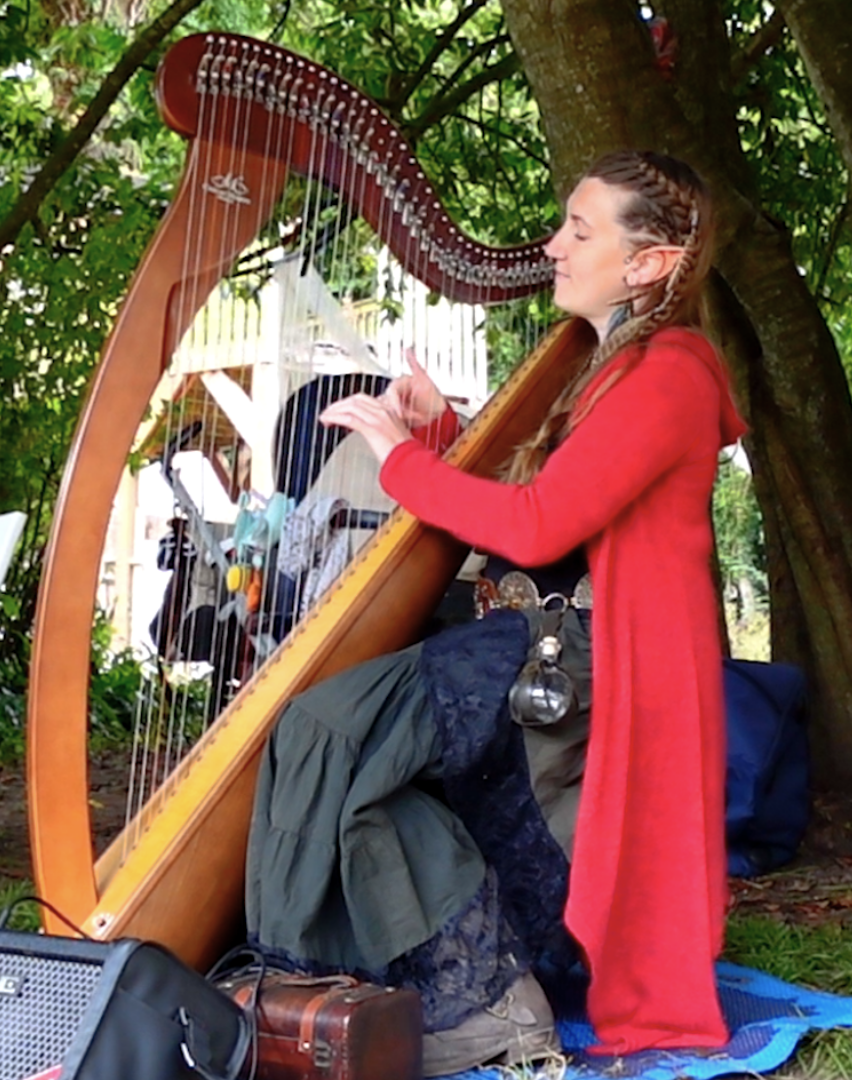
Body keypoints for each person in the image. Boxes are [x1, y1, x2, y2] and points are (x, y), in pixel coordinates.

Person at [244, 150, 745, 1074]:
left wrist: (400, 456)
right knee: (361, 760)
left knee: (326, 729)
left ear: (649, 263)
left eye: (579, 231)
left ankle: (305, 991)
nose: (552, 246)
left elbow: (538, 523)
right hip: (545, 638)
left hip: (593, 660)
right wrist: (440, 430)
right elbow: (547, 508)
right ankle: (423, 990)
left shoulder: (671, 373)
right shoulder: (615, 366)